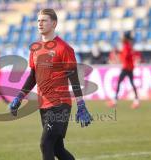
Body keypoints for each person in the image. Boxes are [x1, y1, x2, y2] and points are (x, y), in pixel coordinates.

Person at [9, 9, 93, 160]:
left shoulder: (64, 48)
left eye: (44, 20)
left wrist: (81, 104)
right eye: (38, 20)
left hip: (60, 104)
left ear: (54, 23)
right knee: (57, 149)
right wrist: (19, 97)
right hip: (44, 105)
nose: (40, 23)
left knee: (45, 144)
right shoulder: (35, 48)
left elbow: (73, 77)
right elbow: (33, 76)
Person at [108, 31, 139, 109]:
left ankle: (115, 101)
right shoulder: (127, 45)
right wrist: (120, 53)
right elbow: (127, 54)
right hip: (129, 67)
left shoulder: (127, 46)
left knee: (120, 82)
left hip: (127, 68)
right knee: (131, 83)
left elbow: (126, 56)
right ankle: (136, 100)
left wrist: (119, 54)